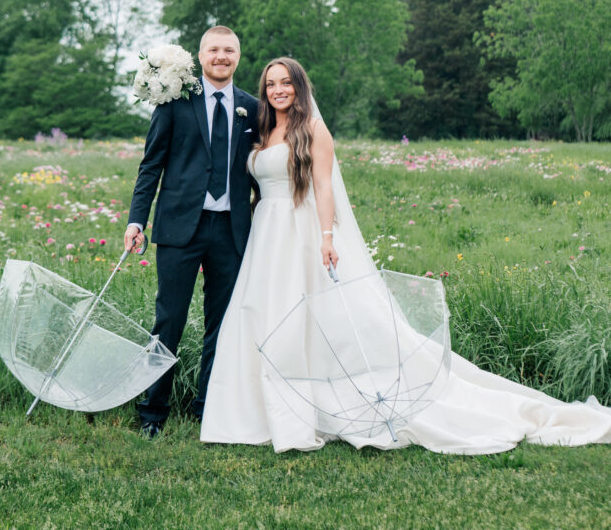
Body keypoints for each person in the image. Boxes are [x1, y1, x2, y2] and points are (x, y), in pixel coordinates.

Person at [201, 57, 611, 453]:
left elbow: (325, 188)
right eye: (271, 84)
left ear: (299, 86)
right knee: (263, 314)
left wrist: (326, 237)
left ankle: (309, 409)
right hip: (267, 236)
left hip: (302, 233)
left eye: (285, 82)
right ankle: (257, 412)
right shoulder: (261, 129)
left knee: (309, 320)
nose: (278, 90)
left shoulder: (313, 130)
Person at [125, 26, 258, 436]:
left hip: (232, 230)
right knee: (169, 319)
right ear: (200, 56)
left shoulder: (254, 108)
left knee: (224, 323)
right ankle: (152, 413)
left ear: (238, 56)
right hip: (181, 226)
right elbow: (151, 166)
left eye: (229, 50)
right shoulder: (175, 100)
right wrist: (136, 220)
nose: (222, 56)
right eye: (214, 50)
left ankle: (209, 409)